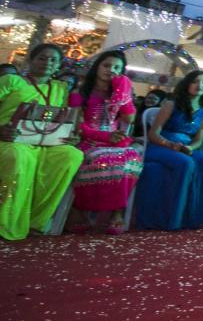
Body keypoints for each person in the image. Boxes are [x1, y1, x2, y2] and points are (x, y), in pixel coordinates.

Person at [0, 44, 82, 241]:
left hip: (45, 144)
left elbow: (63, 118)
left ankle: (36, 221)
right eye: (42, 58)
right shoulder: (11, 81)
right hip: (9, 140)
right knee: (19, 156)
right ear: (31, 60)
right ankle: (7, 223)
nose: (47, 63)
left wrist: (72, 136)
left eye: (53, 60)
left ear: (58, 66)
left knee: (72, 155)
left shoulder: (60, 89)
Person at [67, 50, 142, 235]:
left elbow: (130, 119)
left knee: (131, 157)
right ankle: (80, 209)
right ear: (97, 67)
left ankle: (117, 213)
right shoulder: (80, 92)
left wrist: (123, 89)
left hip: (114, 140)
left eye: (117, 67)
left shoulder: (119, 93)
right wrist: (105, 137)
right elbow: (77, 125)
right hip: (87, 140)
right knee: (106, 159)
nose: (111, 70)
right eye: (106, 65)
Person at [134, 70, 203, 230]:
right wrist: (170, 145)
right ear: (187, 83)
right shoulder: (171, 105)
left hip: (184, 147)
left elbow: (198, 139)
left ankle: (196, 216)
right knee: (185, 162)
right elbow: (153, 134)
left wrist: (190, 148)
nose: (200, 85)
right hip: (160, 145)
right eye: (196, 81)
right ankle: (173, 219)